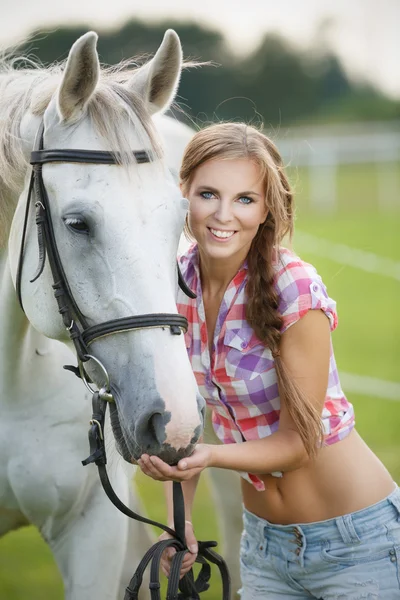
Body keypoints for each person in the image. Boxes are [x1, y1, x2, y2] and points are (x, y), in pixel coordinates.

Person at [137, 122, 400, 598]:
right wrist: (181, 523)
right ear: (184, 194)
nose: (223, 214)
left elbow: (300, 445)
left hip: (357, 542)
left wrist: (210, 456)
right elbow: (183, 426)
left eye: (244, 199)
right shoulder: (173, 287)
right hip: (264, 550)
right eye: (208, 193)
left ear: (265, 209)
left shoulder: (292, 287)